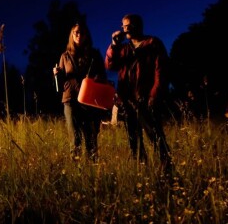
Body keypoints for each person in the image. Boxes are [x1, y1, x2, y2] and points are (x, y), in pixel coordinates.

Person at [105, 13, 173, 172]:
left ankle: (167, 168)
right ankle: (142, 169)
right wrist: (113, 45)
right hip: (127, 100)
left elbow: (161, 71)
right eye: (123, 26)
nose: (125, 29)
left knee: (155, 134)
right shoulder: (123, 48)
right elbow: (110, 66)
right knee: (133, 138)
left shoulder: (152, 43)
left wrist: (154, 94)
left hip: (146, 97)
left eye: (128, 25)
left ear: (138, 26)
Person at [53, 21, 107, 160]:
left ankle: (93, 171)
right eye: (76, 32)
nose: (79, 35)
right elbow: (60, 84)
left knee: (91, 139)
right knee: (75, 138)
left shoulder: (94, 54)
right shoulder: (65, 56)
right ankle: (76, 172)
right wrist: (56, 74)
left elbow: (103, 76)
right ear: (72, 35)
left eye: (82, 32)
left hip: (89, 100)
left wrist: (96, 78)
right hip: (70, 99)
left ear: (86, 35)